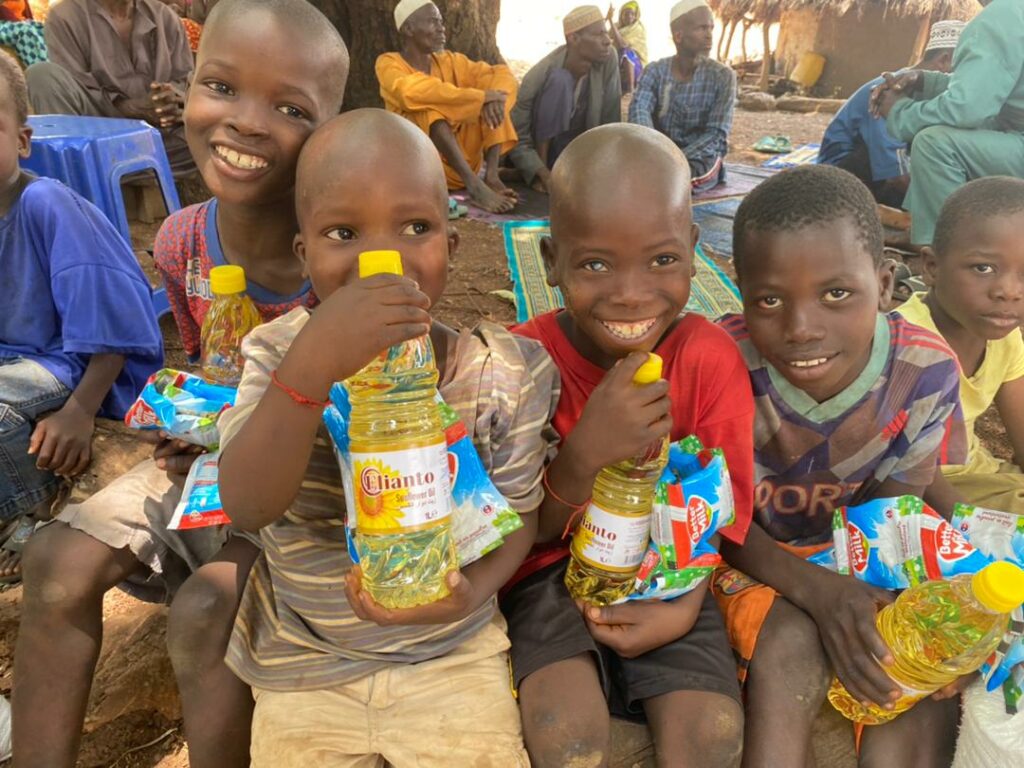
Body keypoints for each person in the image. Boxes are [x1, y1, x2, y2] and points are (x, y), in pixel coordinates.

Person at [12, 2, 350, 765]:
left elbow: (364, 419)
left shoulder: (342, 257)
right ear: (186, 89)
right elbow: (205, 373)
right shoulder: (182, 239)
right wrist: (185, 427)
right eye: (221, 87)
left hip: (312, 496)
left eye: (290, 107)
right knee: (54, 567)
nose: (246, 123)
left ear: (330, 128)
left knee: (203, 609)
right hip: (207, 474)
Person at [216, 107, 558, 767]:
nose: (382, 258)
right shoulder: (275, 356)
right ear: (303, 254)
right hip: (308, 661)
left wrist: (474, 590)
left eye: (416, 227)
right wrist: (310, 369)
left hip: (452, 655)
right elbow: (247, 504)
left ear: (450, 248)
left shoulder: (499, 372)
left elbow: (518, 517)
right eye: (343, 232)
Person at [503, 123, 751, 768]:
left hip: (676, 573)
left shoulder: (706, 357)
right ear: (551, 260)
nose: (633, 293)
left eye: (662, 260)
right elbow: (517, 533)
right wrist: (584, 455)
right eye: (594, 264)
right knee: (567, 736)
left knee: (713, 732)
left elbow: (720, 512)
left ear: (694, 250)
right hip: (548, 574)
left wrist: (685, 604)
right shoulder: (519, 362)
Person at [714, 165, 969, 768]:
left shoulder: (924, 371)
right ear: (739, 289)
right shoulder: (721, 365)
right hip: (747, 554)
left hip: (859, 550)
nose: (802, 328)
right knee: (791, 647)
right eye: (770, 300)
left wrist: (884, 605)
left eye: (837, 294)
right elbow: (713, 517)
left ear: (883, 284)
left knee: (912, 659)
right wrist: (818, 592)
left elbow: (893, 512)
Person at [0, 50, 163, 583]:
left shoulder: (45, 204)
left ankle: (28, 514)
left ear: (21, 141)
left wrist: (79, 412)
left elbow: (110, 323)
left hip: (77, 366)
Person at [896, 177, 1024, 517]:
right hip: (917, 491)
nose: (1008, 291)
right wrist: (979, 528)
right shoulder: (903, 342)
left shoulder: (1006, 338)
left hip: (980, 477)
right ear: (931, 268)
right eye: (983, 268)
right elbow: (905, 466)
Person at [873, 0, 1024, 247]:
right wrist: (925, 82)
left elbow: (967, 108)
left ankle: (952, 253)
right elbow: (989, 84)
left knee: (934, 144)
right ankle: (927, 232)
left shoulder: (1002, 14)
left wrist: (899, 111)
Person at [377, 0, 519, 214]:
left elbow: (501, 73)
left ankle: (491, 176)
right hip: (420, 164)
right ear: (408, 29)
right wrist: (479, 98)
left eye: (441, 22)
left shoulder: (451, 61)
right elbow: (410, 92)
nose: (442, 28)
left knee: (495, 98)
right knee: (429, 110)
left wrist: (491, 99)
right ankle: (474, 185)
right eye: (433, 22)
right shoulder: (388, 63)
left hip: (463, 159)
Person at [25, 0, 195, 175]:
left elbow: (187, 84)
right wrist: (132, 108)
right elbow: (77, 90)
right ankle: (79, 177)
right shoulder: (65, 17)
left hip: (163, 139)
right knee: (41, 75)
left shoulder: (165, 17)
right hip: (101, 136)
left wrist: (171, 101)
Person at [818, 20, 963, 209]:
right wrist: (944, 208)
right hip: (838, 177)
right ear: (944, 60)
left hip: (879, 171)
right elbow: (896, 176)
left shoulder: (924, 92)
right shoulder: (887, 92)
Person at [508, 5, 620, 194]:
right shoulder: (539, 74)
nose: (607, 41)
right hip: (542, 154)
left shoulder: (608, 59)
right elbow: (518, 135)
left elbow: (611, 118)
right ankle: (541, 174)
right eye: (599, 34)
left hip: (579, 153)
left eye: (606, 34)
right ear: (573, 39)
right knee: (560, 81)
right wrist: (542, 173)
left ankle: (536, 174)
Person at [628, 0, 734, 193]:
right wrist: (654, 149)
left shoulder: (723, 76)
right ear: (679, 36)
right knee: (620, 174)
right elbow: (639, 110)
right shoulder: (655, 71)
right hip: (657, 153)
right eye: (702, 28)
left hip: (699, 158)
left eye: (711, 28)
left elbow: (716, 134)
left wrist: (675, 159)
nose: (709, 35)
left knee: (675, 183)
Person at [608, 2, 647, 94]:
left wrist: (610, 20)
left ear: (635, 16)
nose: (629, 16)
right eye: (626, 14)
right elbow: (607, 42)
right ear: (621, 15)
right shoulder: (616, 27)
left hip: (636, 67)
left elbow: (622, 44)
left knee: (627, 52)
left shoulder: (638, 28)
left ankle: (630, 89)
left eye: (632, 14)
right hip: (617, 62)